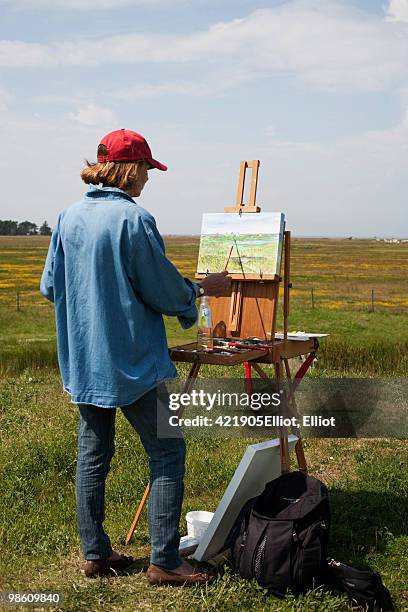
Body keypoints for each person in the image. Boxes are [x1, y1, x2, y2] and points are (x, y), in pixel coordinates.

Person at [40, 128, 231, 585]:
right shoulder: (135, 220)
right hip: (134, 364)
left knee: (93, 456)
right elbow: (163, 290)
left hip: (85, 361)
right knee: (167, 453)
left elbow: (50, 286)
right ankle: (164, 561)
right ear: (129, 169)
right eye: (146, 168)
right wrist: (202, 290)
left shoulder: (67, 218)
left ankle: (96, 554)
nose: (148, 177)